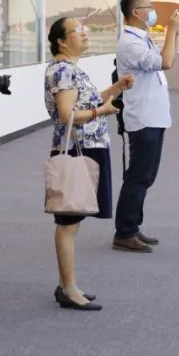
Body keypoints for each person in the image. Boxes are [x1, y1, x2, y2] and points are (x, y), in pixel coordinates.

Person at [45, 18, 133, 311]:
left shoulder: (71, 69)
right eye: (77, 30)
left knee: (73, 220)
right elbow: (67, 114)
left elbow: (87, 103)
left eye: (85, 29)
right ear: (61, 41)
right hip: (76, 151)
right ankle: (68, 288)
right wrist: (101, 111)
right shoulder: (62, 70)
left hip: (88, 148)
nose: (85, 33)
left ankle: (67, 284)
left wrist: (115, 89)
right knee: (68, 222)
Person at [112, 0, 179, 253]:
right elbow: (166, 62)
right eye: (148, 6)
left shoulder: (140, 38)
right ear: (136, 12)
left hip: (154, 115)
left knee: (146, 176)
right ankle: (125, 231)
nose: (152, 11)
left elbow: (165, 58)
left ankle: (133, 227)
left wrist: (175, 34)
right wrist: (171, 31)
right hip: (143, 117)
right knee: (139, 176)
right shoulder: (130, 43)